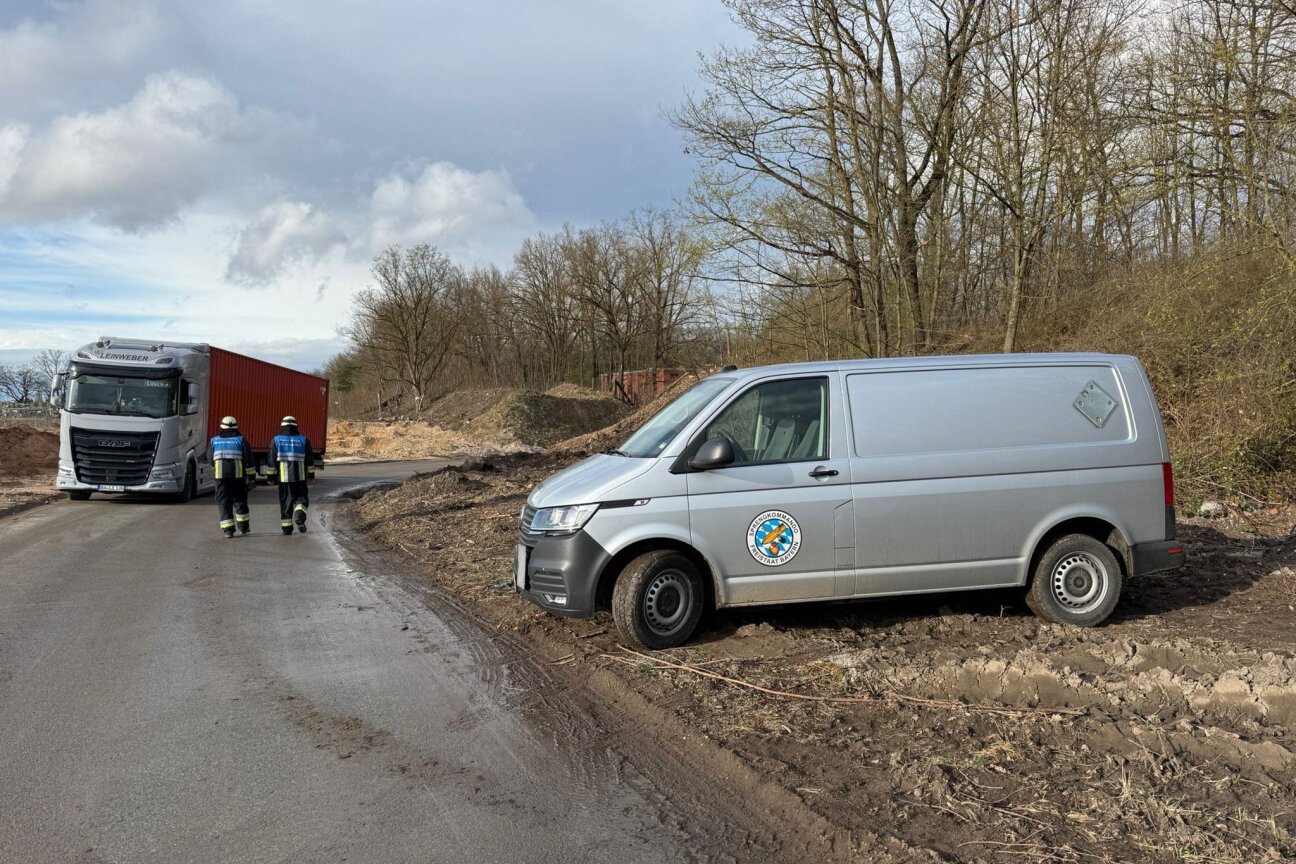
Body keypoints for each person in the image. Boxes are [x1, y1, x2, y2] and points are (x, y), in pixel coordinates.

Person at [267, 415, 316, 535]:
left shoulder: (276, 440)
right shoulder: (303, 440)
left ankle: (287, 528)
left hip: (284, 479)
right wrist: (311, 474)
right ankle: (299, 515)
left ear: (282, 426)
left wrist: (271, 477)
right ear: (296, 427)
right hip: (300, 478)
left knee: (285, 503)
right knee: (302, 500)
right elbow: (309, 460)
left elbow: (271, 460)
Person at [210, 415, 254, 538]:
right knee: (240, 500)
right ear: (236, 427)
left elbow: (209, 459)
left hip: (220, 477)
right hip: (238, 477)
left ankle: (228, 530)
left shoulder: (214, 440)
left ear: (221, 427)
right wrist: (251, 478)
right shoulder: (241, 440)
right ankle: (243, 527)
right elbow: (249, 460)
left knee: (223, 502)